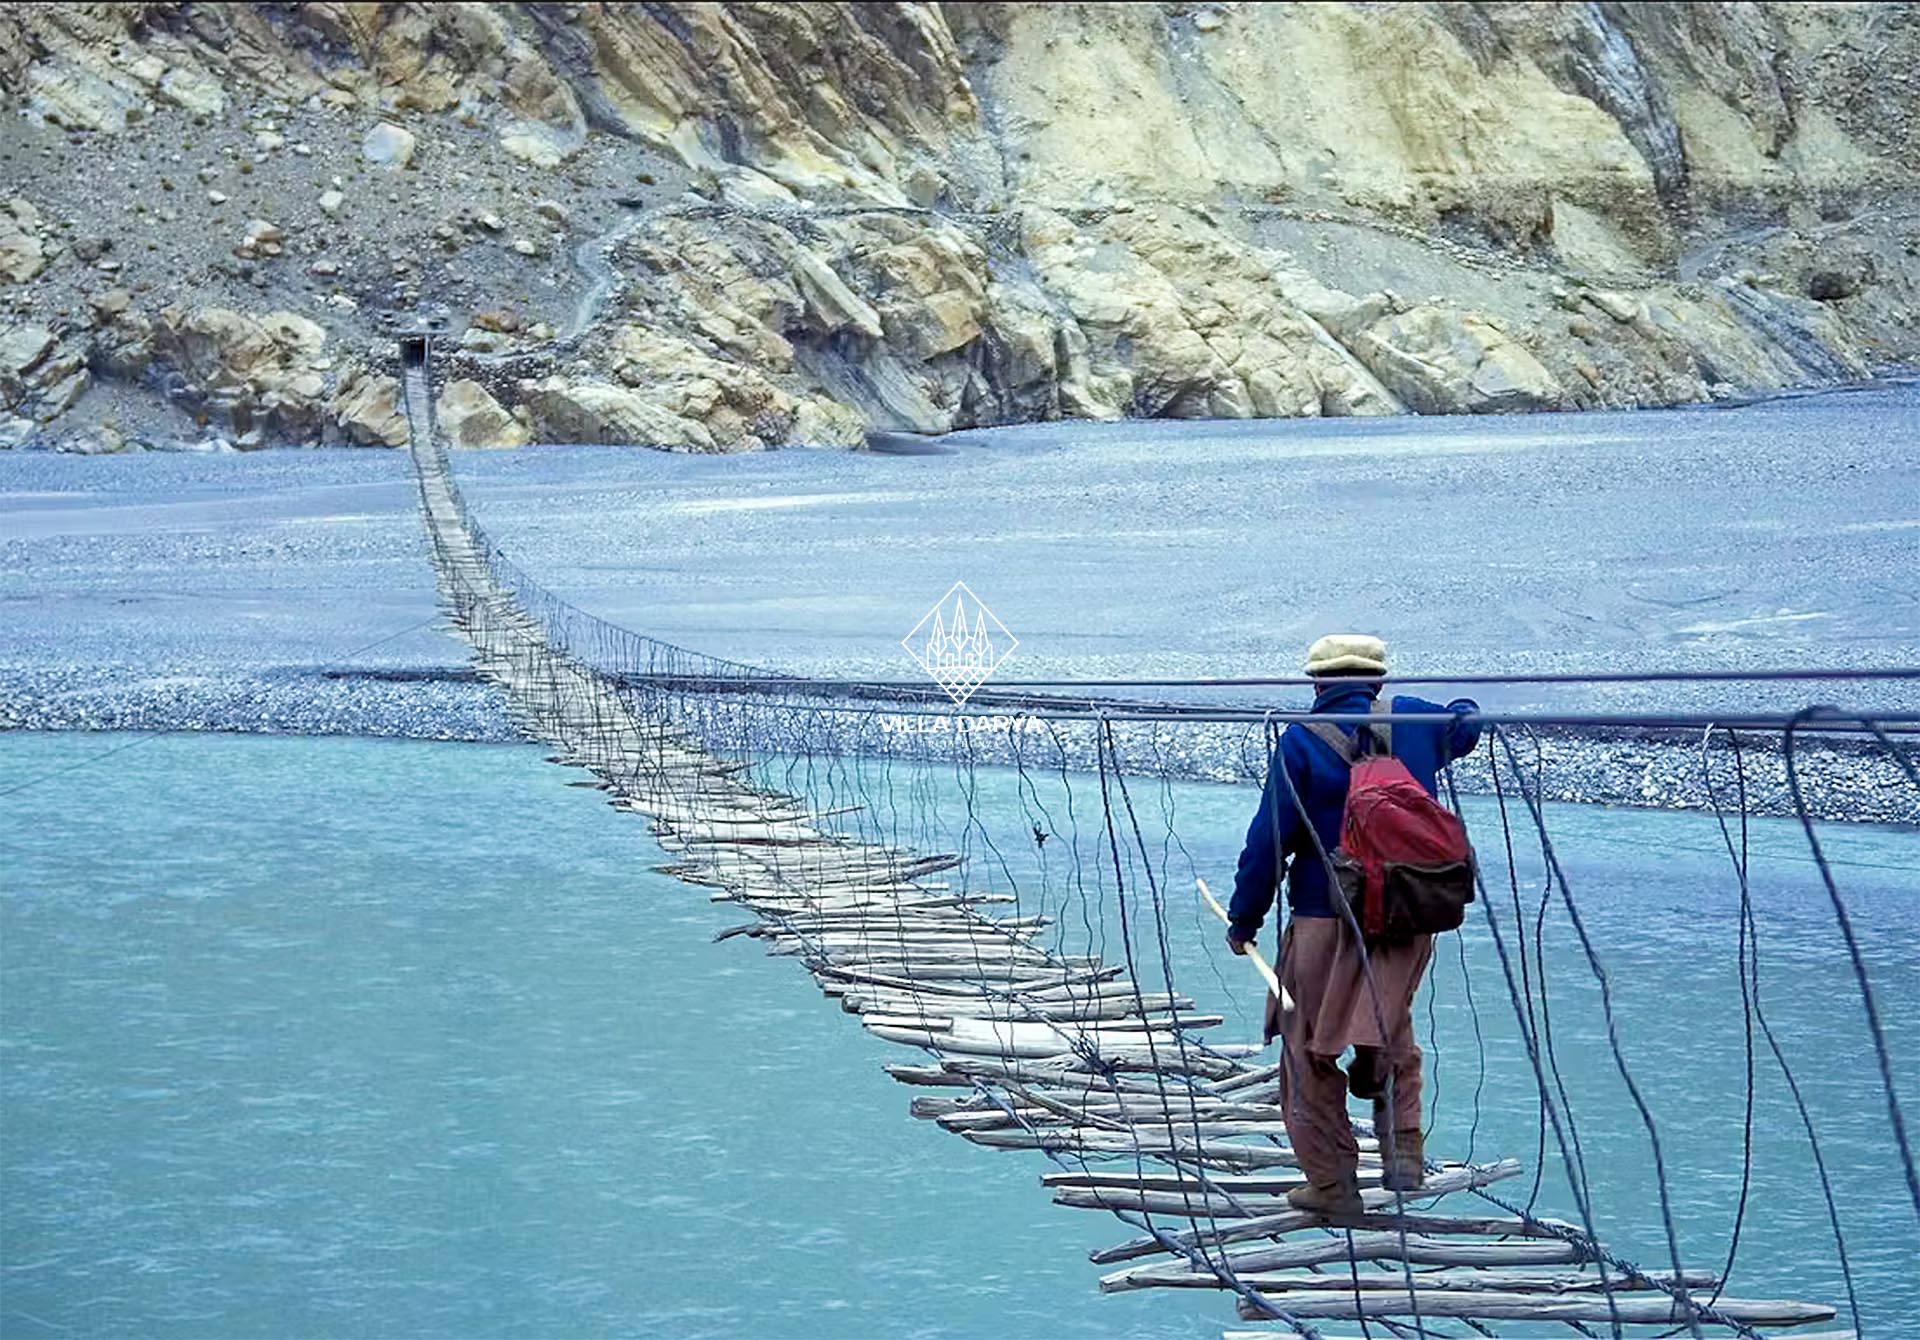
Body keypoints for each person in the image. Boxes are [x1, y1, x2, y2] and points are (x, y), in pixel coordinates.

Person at [1226, 634, 1480, 1216]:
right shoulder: (1415, 720)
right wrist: (1462, 711)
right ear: (1378, 682)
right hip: (1408, 915)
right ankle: (1403, 1154)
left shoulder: (1300, 740)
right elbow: (1467, 727)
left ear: (1316, 683)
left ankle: (1334, 1186)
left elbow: (1269, 839)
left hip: (1323, 916)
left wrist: (1245, 918)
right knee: (1389, 1025)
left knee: (1307, 1050)